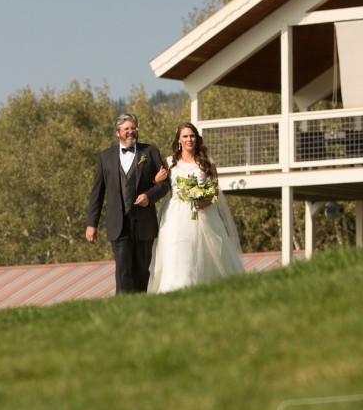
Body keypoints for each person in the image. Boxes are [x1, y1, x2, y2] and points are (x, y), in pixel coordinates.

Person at [147, 122, 245, 293]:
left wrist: (204, 201)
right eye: (185, 136)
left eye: (192, 136)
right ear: (179, 140)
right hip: (174, 215)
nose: (189, 139)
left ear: (197, 139)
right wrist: (156, 179)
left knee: (200, 253)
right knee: (175, 249)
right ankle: (172, 289)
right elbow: (159, 187)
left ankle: (201, 289)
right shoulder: (169, 163)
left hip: (201, 214)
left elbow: (215, 193)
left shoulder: (207, 163)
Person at [86, 113, 170, 293]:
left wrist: (149, 197)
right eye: (126, 129)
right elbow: (97, 192)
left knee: (142, 270)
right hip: (118, 223)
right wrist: (91, 224)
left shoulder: (150, 151)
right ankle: (123, 308)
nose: (131, 132)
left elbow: (165, 184)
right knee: (123, 271)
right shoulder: (104, 157)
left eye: (133, 128)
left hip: (144, 222)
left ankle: (141, 307)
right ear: (118, 133)